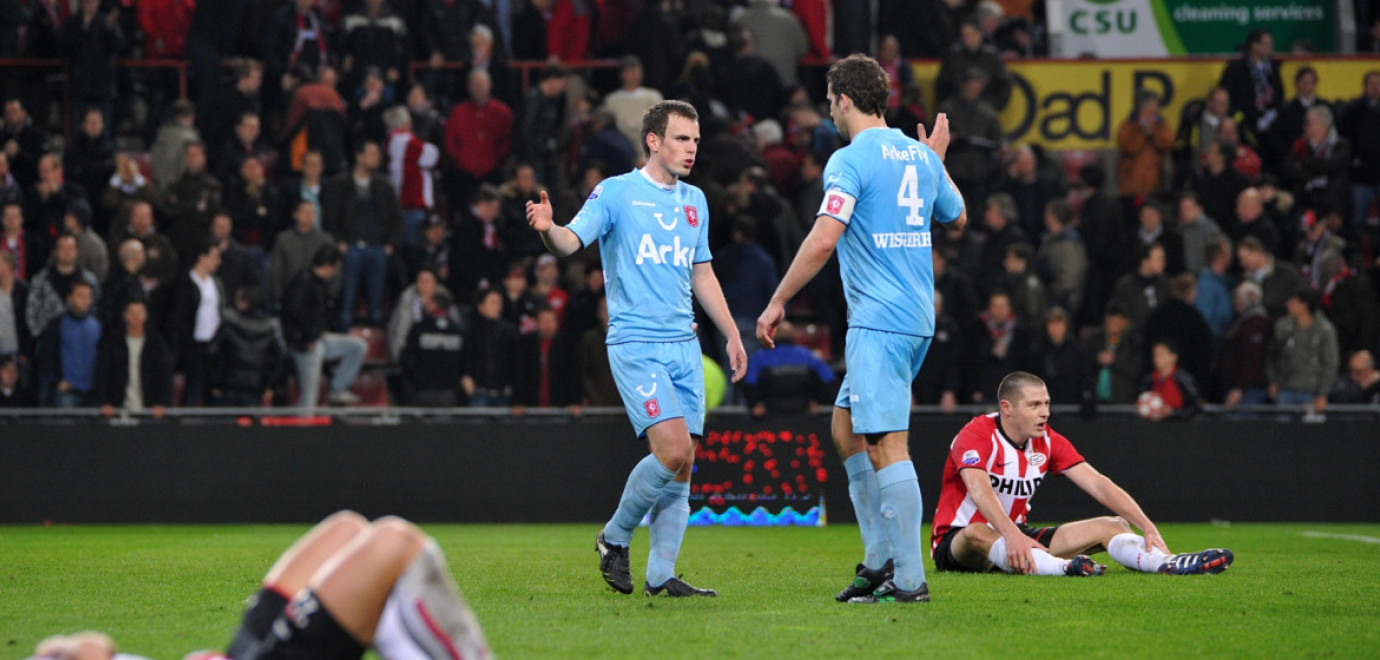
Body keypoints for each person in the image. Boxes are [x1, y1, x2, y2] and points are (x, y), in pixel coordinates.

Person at [755, 55, 965, 604]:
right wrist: (935, 163)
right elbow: (958, 216)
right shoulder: (917, 155)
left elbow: (825, 238)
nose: (829, 108)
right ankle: (877, 559)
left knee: (886, 445)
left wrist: (778, 300)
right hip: (914, 317)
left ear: (843, 99)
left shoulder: (848, 159)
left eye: (830, 99)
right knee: (846, 429)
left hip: (879, 319)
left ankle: (910, 580)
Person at [525, 99, 747, 597]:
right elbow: (569, 241)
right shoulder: (616, 193)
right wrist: (547, 230)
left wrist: (732, 333)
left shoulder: (695, 201)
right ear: (653, 140)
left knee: (685, 464)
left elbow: (702, 272)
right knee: (671, 451)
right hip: (636, 343)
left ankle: (661, 575)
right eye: (681, 139)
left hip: (685, 346)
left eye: (694, 140)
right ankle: (614, 537)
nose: (691, 149)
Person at [27, 512, 490, 660]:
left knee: (347, 529)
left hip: (236, 652)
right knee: (395, 542)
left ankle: (378, 624)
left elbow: (94, 645)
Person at [930, 371, 1234, 576]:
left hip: (1018, 538)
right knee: (976, 532)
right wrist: (1011, 535)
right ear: (1007, 408)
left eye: (1046, 404)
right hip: (959, 543)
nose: (1044, 412)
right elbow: (979, 489)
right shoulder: (976, 434)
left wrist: (1147, 525)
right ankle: (1062, 568)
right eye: (1034, 405)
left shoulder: (1047, 440)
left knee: (1114, 524)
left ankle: (1167, 563)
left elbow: (1098, 485)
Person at [281, 246, 367, 409]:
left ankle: (338, 388)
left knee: (357, 347)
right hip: (304, 344)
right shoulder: (301, 283)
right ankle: (303, 429)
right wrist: (307, 340)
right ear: (330, 266)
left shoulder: (319, 283)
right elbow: (294, 314)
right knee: (309, 400)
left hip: (319, 338)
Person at [95, 299, 173, 417]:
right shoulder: (112, 342)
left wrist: (162, 402)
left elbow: (165, 374)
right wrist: (105, 401)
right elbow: (102, 372)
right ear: (125, 315)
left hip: (149, 408)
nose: (136, 317)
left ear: (146, 315)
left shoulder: (156, 343)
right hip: (118, 407)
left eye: (139, 313)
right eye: (132, 313)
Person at [1267, 290, 1339, 415]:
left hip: (1311, 391)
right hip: (1285, 389)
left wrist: (1323, 394)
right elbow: (1272, 356)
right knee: (1281, 430)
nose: (1288, 304)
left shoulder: (1324, 330)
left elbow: (1330, 363)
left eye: (1293, 301)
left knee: (1309, 433)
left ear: (1304, 305)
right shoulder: (1283, 327)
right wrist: (1272, 380)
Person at [35, 280, 100, 407]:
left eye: (88, 296)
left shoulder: (97, 325)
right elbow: (47, 354)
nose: (85, 300)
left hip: (92, 392)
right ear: (70, 298)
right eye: (80, 296)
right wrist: (57, 380)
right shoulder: (58, 324)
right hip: (67, 390)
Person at [1138, 339, 1201, 420]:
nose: (1156, 358)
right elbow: (1141, 398)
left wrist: (1173, 413)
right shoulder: (1149, 380)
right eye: (1155, 354)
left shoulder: (1183, 379)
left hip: (1180, 426)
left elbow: (1195, 406)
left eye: (1161, 354)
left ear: (1173, 357)